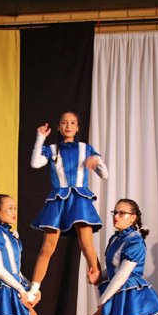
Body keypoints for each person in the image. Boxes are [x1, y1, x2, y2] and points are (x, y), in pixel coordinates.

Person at [27, 112, 108, 299]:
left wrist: (98, 162)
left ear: (77, 128)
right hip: (59, 199)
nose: (68, 126)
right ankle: (33, 290)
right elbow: (35, 163)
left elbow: (105, 175)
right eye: (64, 122)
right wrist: (40, 138)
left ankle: (101, 291)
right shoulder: (52, 149)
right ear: (59, 127)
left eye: (72, 123)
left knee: (87, 245)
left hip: (80, 199)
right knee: (48, 246)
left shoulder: (86, 148)